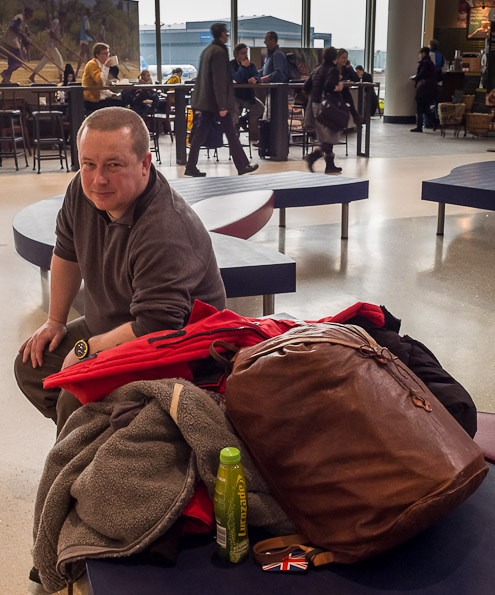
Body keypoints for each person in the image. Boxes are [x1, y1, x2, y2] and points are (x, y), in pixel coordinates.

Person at [14, 107, 226, 434]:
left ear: (145, 163)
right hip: (116, 326)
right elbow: (66, 253)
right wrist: (55, 321)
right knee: (32, 365)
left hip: (176, 351)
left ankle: (77, 463)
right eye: (89, 164)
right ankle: (99, 442)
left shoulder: (166, 229)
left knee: (75, 395)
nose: (99, 179)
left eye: (114, 165)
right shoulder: (84, 192)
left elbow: (156, 327)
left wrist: (86, 351)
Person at [184, 23, 258, 177]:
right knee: (229, 133)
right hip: (215, 103)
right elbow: (219, 80)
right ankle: (242, 166)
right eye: (226, 32)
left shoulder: (207, 51)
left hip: (206, 101)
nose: (227, 34)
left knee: (203, 134)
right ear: (222, 34)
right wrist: (223, 105)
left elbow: (203, 79)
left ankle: (191, 166)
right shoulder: (219, 52)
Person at [303, 46, 344, 175]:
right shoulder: (332, 70)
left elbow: (307, 86)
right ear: (335, 58)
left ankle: (330, 165)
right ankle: (314, 156)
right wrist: (338, 87)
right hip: (326, 107)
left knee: (326, 135)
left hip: (315, 105)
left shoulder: (316, 70)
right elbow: (329, 86)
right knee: (330, 135)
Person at [230, 43, 265, 143]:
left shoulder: (251, 65)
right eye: (242, 53)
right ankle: (235, 138)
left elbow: (257, 75)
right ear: (236, 55)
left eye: (246, 53)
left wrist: (255, 79)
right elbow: (235, 79)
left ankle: (245, 121)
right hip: (235, 97)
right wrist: (243, 67)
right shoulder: (230, 65)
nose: (245, 55)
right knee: (234, 112)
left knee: (260, 108)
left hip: (248, 96)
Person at [81, 42, 122, 113]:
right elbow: (100, 81)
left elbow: (101, 87)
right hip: (92, 100)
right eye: (104, 53)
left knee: (120, 101)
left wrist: (111, 94)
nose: (107, 56)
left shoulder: (100, 65)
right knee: (119, 105)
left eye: (108, 53)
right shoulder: (92, 64)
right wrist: (106, 67)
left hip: (98, 98)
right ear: (97, 55)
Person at [29, 10, 67, 83]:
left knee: (43, 61)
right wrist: (58, 40)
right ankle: (61, 77)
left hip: (51, 45)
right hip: (51, 46)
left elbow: (53, 35)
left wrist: (57, 42)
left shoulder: (59, 24)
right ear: (61, 17)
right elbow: (51, 33)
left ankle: (32, 75)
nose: (65, 20)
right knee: (59, 60)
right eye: (64, 18)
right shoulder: (56, 22)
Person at [0, 6, 33, 84]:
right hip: (12, 41)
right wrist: (22, 34)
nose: (31, 16)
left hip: (14, 41)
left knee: (12, 62)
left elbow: (23, 34)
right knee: (20, 61)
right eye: (30, 14)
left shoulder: (23, 21)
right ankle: (5, 73)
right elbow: (13, 26)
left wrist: (27, 41)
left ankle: (5, 80)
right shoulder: (19, 18)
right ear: (26, 13)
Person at [410, 47, 438, 132]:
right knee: (425, 108)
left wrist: (414, 78)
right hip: (429, 88)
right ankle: (435, 122)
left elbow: (422, 74)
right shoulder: (429, 62)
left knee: (420, 107)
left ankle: (419, 127)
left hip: (423, 88)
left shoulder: (425, 63)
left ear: (424, 53)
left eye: (420, 53)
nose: (419, 55)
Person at [335, 48, 364, 127]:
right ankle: (356, 116)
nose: (345, 60)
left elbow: (356, 79)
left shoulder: (345, 68)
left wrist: (349, 67)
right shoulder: (333, 68)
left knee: (347, 96)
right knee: (346, 96)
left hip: (344, 91)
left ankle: (356, 116)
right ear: (338, 58)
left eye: (346, 58)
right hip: (335, 92)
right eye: (343, 58)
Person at [76, 8, 95, 77]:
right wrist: (93, 37)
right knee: (82, 56)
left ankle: (89, 72)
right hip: (84, 39)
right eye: (90, 12)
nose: (91, 14)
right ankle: (76, 73)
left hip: (85, 39)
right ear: (87, 13)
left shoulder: (85, 19)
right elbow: (87, 31)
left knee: (89, 55)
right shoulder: (86, 19)